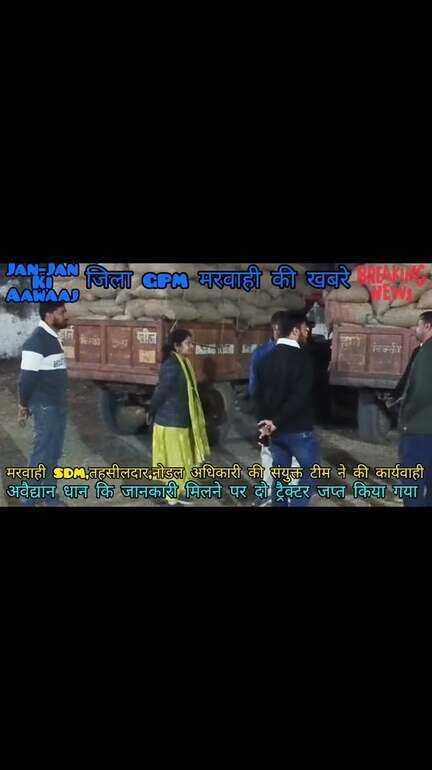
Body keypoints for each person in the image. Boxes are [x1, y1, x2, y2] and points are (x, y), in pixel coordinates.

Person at [255, 313, 322, 507]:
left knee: (280, 475)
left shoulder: (264, 358)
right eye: (304, 329)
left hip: (275, 432)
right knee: (311, 472)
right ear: (294, 331)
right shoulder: (304, 359)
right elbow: (299, 397)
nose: (306, 333)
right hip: (298, 429)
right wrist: (276, 421)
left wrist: (266, 422)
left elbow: (257, 394)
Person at [149, 328, 210, 505]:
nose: (191, 346)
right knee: (175, 460)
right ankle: (174, 495)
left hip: (180, 419)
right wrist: (151, 410)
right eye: (188, 343)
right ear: (176, 346)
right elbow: (161, 392)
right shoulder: (172, 365)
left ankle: (181, 490)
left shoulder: (183, 363)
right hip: (170, 421)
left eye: (191, 343)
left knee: (183, 459)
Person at [18, 301, 69, 506]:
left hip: (58, 405)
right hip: (46, 406)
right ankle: (28, 500)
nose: (66, 315)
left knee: (53, 453)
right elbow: (26, 378)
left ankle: (49, 496)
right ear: (49, 315)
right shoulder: (36, 342)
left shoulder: (54, 338)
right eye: (62, 312)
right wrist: (23, 404)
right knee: (41, 453)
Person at [249, 311, 300, 506]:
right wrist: (260, 416)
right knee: (268, 454)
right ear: (273, 329)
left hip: (288, 415)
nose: (279, 332)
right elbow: (255, 387)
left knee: (291, 455)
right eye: (277, 329)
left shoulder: (296, 353)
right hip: (270, 414)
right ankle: (268, 493)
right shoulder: (262, 353)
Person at [396, 311, 432, 507]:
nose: (415, 330)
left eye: (418, 325)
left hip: (420, 432)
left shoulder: (426, 352)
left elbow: (422, 390)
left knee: (412, 487)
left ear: (427, 326)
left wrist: (405, 417)